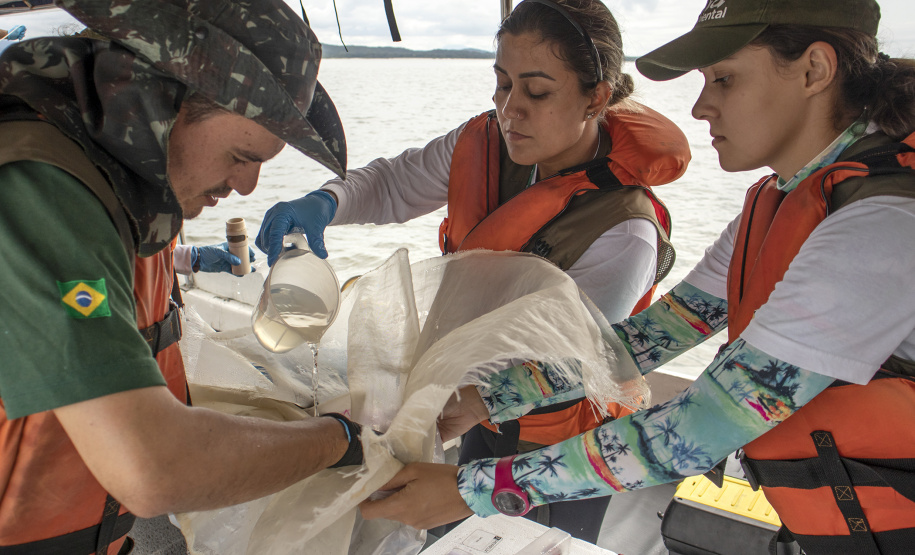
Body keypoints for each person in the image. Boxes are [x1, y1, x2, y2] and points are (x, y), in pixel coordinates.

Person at [359, 0, 915, 552]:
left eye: (724, 79)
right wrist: (488, 399)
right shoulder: (785, 200)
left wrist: (474, 489)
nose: (700, 106)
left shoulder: (883, 224)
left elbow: (705, 425)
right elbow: (652, 336)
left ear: (815, 70)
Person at [257, 0, 689, 541]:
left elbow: (566, 361)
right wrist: (327, 201)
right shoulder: (487, 142)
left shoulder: (626, 231)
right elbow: (395, 182)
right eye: (502, 83)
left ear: (596, 97)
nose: (510, 110)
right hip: (473, 415)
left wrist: (428, 399)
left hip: (559, 450)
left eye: (537, 92)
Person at [0, 0, 366, 552]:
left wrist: (190, 261)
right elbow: (152, 470)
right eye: (241, 156)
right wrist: (341, 440)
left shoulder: (125, 173)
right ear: (159, 99)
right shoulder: (37, 189)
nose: (246, 186)